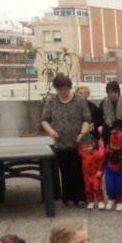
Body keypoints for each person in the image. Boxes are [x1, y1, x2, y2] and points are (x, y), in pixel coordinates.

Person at [40, 74, 93, 207]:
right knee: (65, 171)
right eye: (59, 90)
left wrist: (82, 134)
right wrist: (51, 131)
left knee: (78, 171)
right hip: (60, 143)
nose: (62, 92)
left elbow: (87, 119)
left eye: (65, 89)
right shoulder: (51, 101)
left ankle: (81, 198)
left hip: (77, 143)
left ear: (69, 87)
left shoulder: (79, 100)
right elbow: (44, 120)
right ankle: (68, 197)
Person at [103, 129, 122, 212]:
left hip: (120, 171)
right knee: (109, 186)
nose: (115, 147)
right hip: (109, 170)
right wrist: (100, 170)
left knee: (119, 186)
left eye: (118, 146)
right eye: (113, 145)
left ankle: (120, 201)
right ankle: (111, 198)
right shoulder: (107, 150)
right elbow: (103, 160)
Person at [98, 80, 122, 146]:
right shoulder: (103, 103)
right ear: (107, 93)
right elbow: (100, 119)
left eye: (115, 92)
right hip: (107, 134)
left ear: (118, 92)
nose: (113, 94)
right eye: (110, 92)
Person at [78, 133, 106, 210]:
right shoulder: (82, 152)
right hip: (86, 175)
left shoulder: (96, 154)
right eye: (84, 147)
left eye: (88, 146)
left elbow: (101, 162)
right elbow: (79, 148)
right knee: (88, 189)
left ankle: (100, 201)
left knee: (97, 188)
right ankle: (91, 201)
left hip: (95, 174)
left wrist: (100, 170)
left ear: (93, 144)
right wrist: (79, 139)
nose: (86, 149)